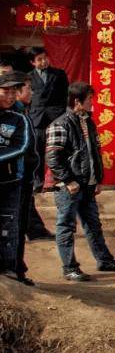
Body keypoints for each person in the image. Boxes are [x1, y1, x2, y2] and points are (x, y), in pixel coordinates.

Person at [46, 81, 115, 281]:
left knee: (93, 224)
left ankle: (104, 260)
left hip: (87, 184)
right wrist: (68, 180)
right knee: (66, 226)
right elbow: (53, 158)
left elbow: (94, 153)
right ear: (77, 101)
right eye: (90, 99)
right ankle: (69, 267)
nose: (92, 102)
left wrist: (97, 179)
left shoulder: (88, 122)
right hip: (69, 187)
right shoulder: (60, 124)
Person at [0, 73, 31, 281]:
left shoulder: (18, 119)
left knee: (8, 225)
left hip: (10, 183)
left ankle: (9, 268)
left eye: (14, 92)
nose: (11, 96)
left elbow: (21, 146)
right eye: (6, 91)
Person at [28, 47, 67, 196]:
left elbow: (65, 96)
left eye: (45, 58)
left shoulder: (59, 74)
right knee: (37, 150)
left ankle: (58, 180)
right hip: (37, 118)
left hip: (55, 117)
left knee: (57, 149)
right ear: (32, 62)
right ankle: (38, 183)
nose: (43, 61)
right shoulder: (28, 77)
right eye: (39, 60)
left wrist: (62, 113)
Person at [11, 72, 38, 284]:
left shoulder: (23, 112)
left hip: (24, 178)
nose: (32, 92)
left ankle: (18, 265)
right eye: (29, 88)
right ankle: (15, 267)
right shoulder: (14, 115)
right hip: (16, 179)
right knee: (15, 225)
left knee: (20, 224)